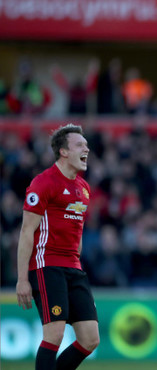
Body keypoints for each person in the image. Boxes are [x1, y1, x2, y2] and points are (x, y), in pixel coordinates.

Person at [16, 123, 99, 369]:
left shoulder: (83, 189)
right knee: (54, 336)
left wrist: (77, 264)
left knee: (90, 339)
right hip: (47, 265)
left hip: (74, 267)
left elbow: (78, 232)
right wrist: (22, 279)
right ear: (63, 152)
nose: (87, 149)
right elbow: (26, 231)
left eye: (86, 145)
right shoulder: (44, 182)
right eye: (80, 145)